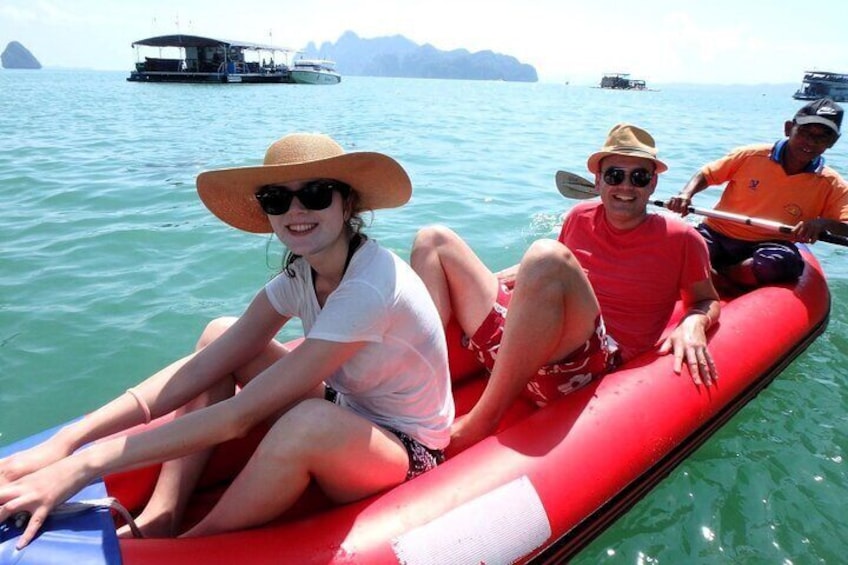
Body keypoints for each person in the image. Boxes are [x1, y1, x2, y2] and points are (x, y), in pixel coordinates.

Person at [0, 133, 454, 548]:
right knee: (219, 334)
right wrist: (68, 439)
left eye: (315, 194)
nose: (296, 211)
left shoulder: (369, 284)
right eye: (277, 198)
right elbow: (205, 365)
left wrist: (83, 466)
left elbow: (239, 417)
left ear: (346, 203)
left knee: (308, 421)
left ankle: (193, 546)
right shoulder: (302, 276)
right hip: (351, 409)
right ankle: (163, 513)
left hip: (407, 449)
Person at [411, 124, 720, 452]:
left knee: (545, 255)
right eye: (615, 175)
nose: (626, 187)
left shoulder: (682, 239)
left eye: (639, 177)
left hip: (589, 366)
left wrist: (695, 321)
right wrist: (513, 277)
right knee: (433, 239)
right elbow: (564, 272)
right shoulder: (579, 216)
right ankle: (412, 385)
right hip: (529, 350)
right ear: (598, 181)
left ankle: (482, 420)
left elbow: (707, 300)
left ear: (653, 182)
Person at [666, 97, 848, 289]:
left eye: (823, 136)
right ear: (788, 128)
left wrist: (823, 223)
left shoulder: (831, 182)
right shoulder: (751, 155)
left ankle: (721, 275)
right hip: (718, 233)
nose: (811, 141)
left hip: (771, 243)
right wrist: (686, 194)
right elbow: (707, 174)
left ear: (833, 141)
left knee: (780, 264)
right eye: (804, 132)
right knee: (680, 247)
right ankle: (716, 274)